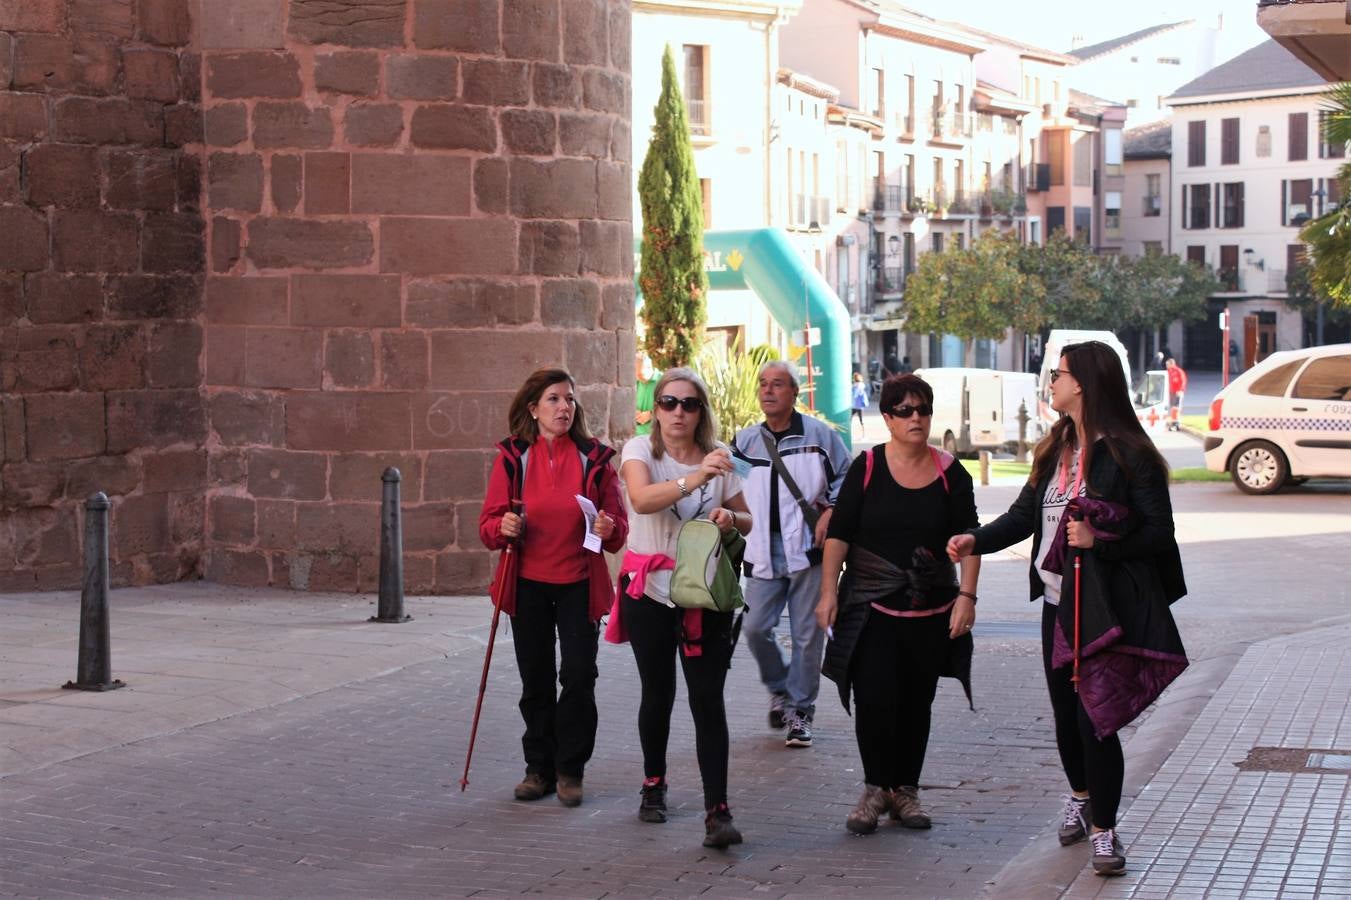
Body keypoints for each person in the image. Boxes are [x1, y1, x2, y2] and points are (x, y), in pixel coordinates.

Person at [947, 341, 1188, 878]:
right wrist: (973, 540)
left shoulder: (1130, 452)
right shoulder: (1053, 450)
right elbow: (1021, 518)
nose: (1050, 382)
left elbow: (1158, 534)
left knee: (1095, 721)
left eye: (1057, 374)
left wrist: (1098, 540)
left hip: (1102, 608)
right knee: (1064, 716)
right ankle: (1080, 795)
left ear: (1082, 383)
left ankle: (1105, 831)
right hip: (1057, 605)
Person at [816, 373, 980, 835]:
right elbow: (839, 535)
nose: (916, 418)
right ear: (886, 418)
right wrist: (828, 592)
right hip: (872, 609)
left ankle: (905, 790)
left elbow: (972, 539)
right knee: (874, 699)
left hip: (931, 609)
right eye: (905, 410)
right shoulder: (866, 468)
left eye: (922, 410)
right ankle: (874, 788)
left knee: (916, 701)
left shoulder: (951, 472)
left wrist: (967, 596)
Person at [609, 367, 753, 849]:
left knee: (707, 700)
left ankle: (719, 811)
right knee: (658, 693)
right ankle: (654, 784)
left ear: (701, 412)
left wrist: (730, 516)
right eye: (668, 402)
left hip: (705, 594)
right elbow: (642, 499)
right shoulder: (639, 451)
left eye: (688, 404)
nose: (677, 412)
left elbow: (746, 518)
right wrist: (696, 479)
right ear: (657, 408)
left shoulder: (720, 459)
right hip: (649, 591)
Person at [477, 368, 629, 808]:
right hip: (527, 585)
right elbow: (488, 526)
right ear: (533, 408)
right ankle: (538, 769)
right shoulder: (512, 459)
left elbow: (618, 529)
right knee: (536, 680)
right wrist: (502, 525)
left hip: (579, 583)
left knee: (579, 676)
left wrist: (608, 525)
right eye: (554, 400)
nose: (565, 407)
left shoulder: (594, 459)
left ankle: (570, 770)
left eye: (569, 400)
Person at [732, 361, 851, 748]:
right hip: (761, 550)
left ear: (794, 393)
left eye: (777, 385)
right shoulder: (745, 441)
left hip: (808, 551)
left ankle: (800, 711)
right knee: (754, 629)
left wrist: (832, 511)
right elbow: (727, 485)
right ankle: (780, 688)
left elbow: (848, 479)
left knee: (806, 635)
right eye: (763, 384)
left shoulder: (821, 437)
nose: (768, 391)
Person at [635, 353, 658, 436]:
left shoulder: (663, 381)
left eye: (640, 375)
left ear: (649, 368)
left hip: (655, 437)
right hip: (635, 436)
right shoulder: (635, 381)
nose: (637, 378)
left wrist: (652, 414)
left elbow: (672, 408)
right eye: (636, 375)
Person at [1165, 357, 1187, 431]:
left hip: (1177, 392)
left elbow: (1183, 381)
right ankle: (1173, 423)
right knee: (1172, 408)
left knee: (1176, 408)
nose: (1166, 366)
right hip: (1171, 393)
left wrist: (1180, 390)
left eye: (1167, 364)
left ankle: (1176, 424)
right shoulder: (1168, 371)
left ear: (1172, 364)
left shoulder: (1178, 371)